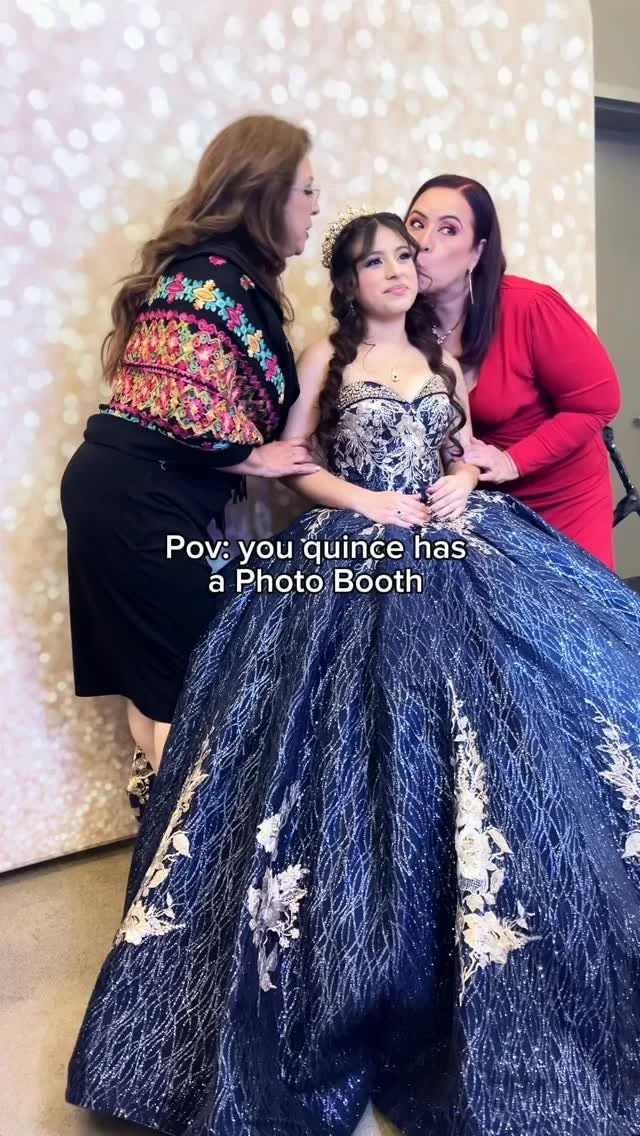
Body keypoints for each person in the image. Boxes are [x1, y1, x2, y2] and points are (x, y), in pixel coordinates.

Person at [66, 211, 640, 1136]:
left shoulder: (443, 358)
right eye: (377, 261)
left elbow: (459, 451)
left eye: (406, 256)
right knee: (337, 727)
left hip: (456, 541)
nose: (398, 271)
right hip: (354, 548)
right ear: (350, 280)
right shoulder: (327, 357)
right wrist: (367, 501)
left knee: (525, 699)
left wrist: (462, 483)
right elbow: (295, 465)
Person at [60, 114, 321, 784]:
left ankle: (167, 834)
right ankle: (190, 839)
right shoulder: (213, 276)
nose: (316, 207)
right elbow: (184, 403)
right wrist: (257, 458)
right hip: (136, 500)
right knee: (194, 686)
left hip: (121, 491)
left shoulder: (220, 274)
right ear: (267, 193)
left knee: (157, 683)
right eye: (307, 191)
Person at [405, 173, 621, 569]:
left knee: (571, 605)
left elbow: (599, 403)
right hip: (480, 502)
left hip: (563, 499)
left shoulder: (531, 307)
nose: (423, 242)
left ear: (477, 252)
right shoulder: (397, 323)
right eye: (416, 223)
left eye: (448, 229)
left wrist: (512, 461)